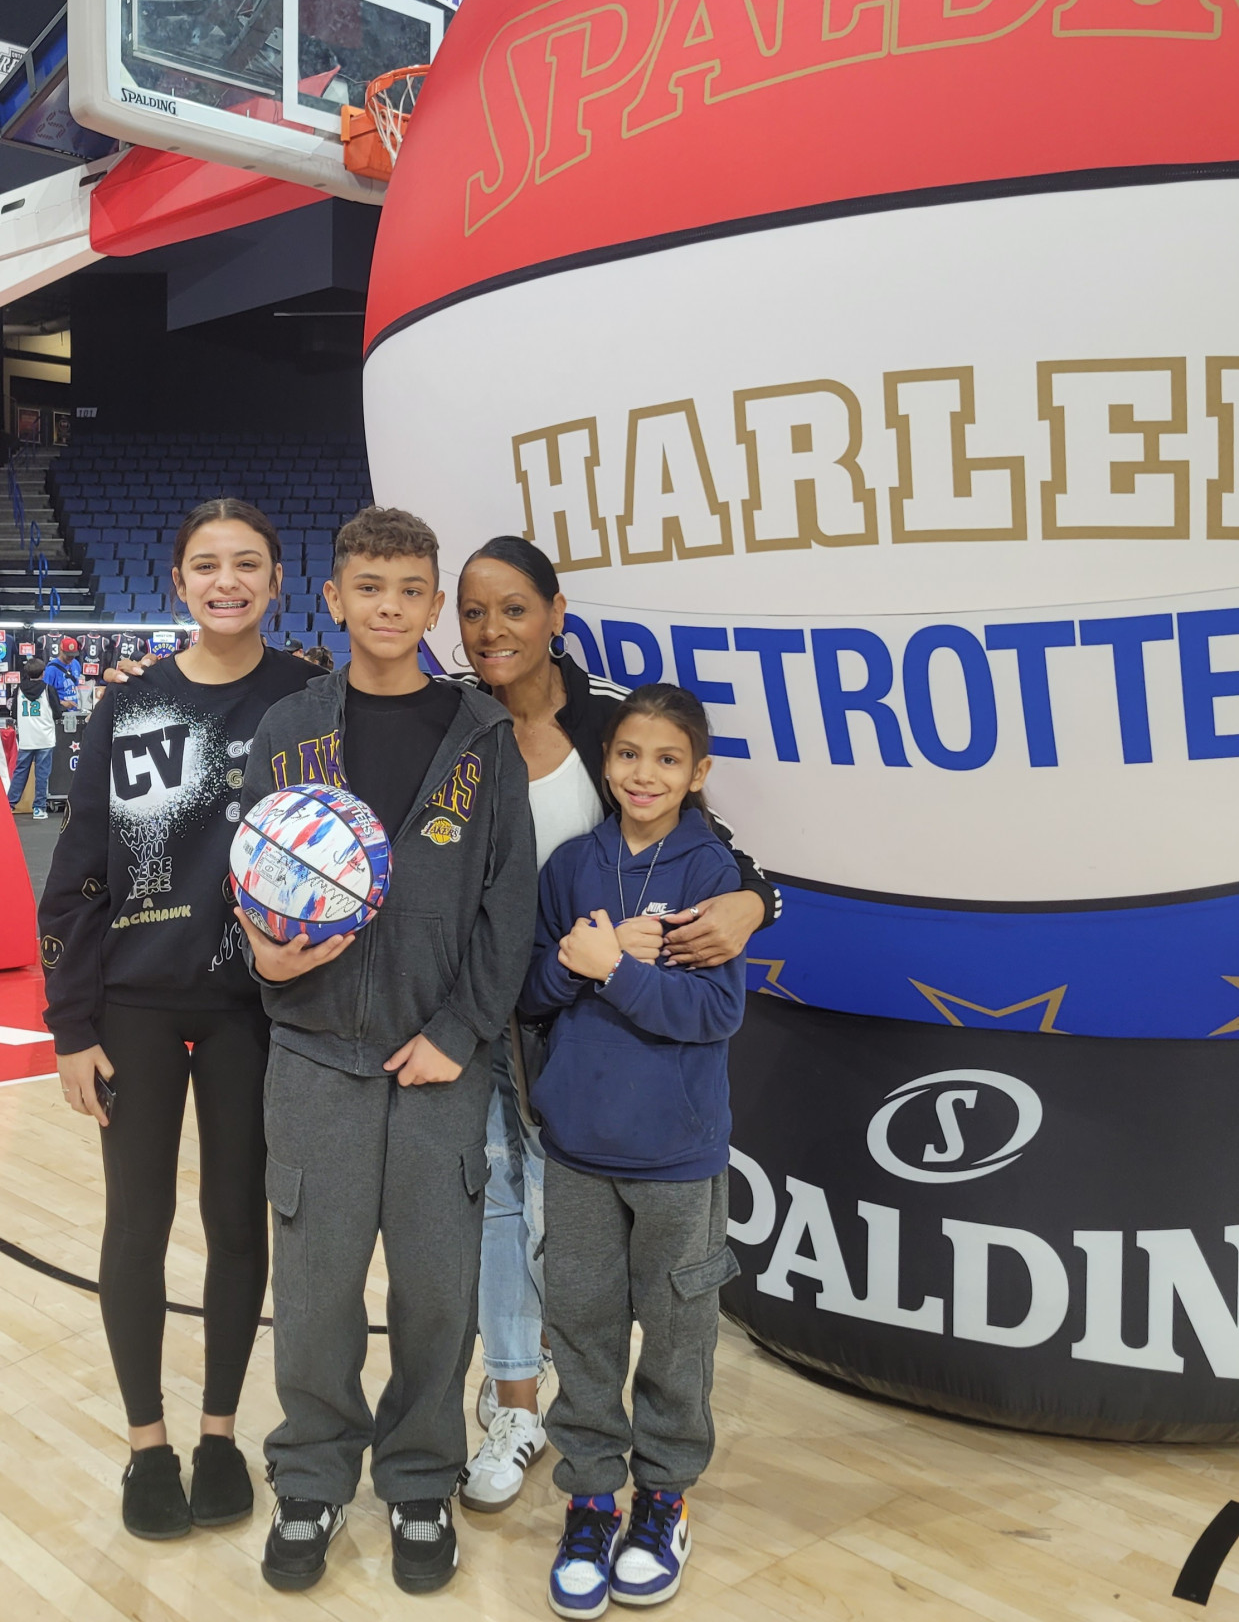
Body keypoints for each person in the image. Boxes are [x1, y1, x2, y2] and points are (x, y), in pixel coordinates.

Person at [234, 506, 537, 1599]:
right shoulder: (289, 728)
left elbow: (509, 903)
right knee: (315, 1289)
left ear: (434, 601)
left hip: (438, 1064)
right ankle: (312, 1475)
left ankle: (418, 1476)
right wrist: (263, 954)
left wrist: (458, 1033)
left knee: (436, 1292)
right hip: (315, 1054)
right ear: (334, 597)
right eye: (370, 587)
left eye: (411, 590)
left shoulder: (482, 735)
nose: (390, 608)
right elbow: (254, 875)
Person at [454, 538, 777, 1514]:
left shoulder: (607, 720)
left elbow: (720, 859)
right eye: (473, 611)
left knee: (607, 1260)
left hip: (595, 1042)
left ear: (557, 614)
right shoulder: (455, 719)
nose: (493, 630)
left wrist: (754, 902)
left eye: (515, 607)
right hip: (492, 1002)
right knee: (506, 1207)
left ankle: (652, 1472)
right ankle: (519, 1403)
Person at [39, 500, 312, 1541]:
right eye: (207, 564)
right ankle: (148, 1443)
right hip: (136, 1010)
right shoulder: (130, 704)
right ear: (178, 582)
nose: (226, 580)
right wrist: (71, 1027)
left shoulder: (308, 700)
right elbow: (77, 874)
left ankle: (219, 1432)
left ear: (278, 579)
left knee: (239, 1222)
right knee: (137, 1223)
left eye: (247, 563)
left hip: (255, 1011)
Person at [523, 684, 745, 1617]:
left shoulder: (712, 871)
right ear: (604, 761)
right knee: (580, 1325)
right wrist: (574, 963)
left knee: (678, 1335)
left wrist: (612, 970)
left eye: (665, 759)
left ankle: (662, 1498)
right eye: (626, 754)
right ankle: (589, 1499)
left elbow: (714, 1011)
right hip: (577, 1145)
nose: (642, 774)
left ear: (697, 773)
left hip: (675, 1155)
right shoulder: (573, 864)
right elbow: (530, 992)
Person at [9, 657, 57, 818]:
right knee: (42, 775)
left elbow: (14, 713)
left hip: (26, 738)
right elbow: (57, 712)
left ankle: (9, 805)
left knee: (20, 772)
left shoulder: (19, 689)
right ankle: (39, 808)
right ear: (43, 673)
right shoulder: (48, 689)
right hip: (45, 737)